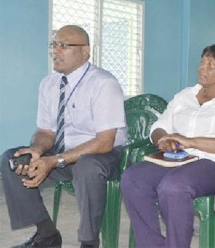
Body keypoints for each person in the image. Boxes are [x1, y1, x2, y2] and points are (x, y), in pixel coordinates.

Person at [1, 25, 127, 248]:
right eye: (54, 45)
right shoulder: (48, 84)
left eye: (64, 45)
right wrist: (37, 151)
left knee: (87, 167)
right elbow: (46, 132)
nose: (55, 51)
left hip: (102, 154)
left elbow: (105, 141)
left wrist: (54, 161)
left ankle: (89, 242)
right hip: (62, 153)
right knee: (12, 158)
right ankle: (46, 233)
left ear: (85, 51)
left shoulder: (104, 83)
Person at [120, 44, 215, 248]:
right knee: (132, 178)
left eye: (211, 64)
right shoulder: (186, 95)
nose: (202, 68)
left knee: (173, 187)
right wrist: (163, 139)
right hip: (175, 157)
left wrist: (190, 141)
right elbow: (159, 126)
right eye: (202, 62)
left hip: (212, 162)